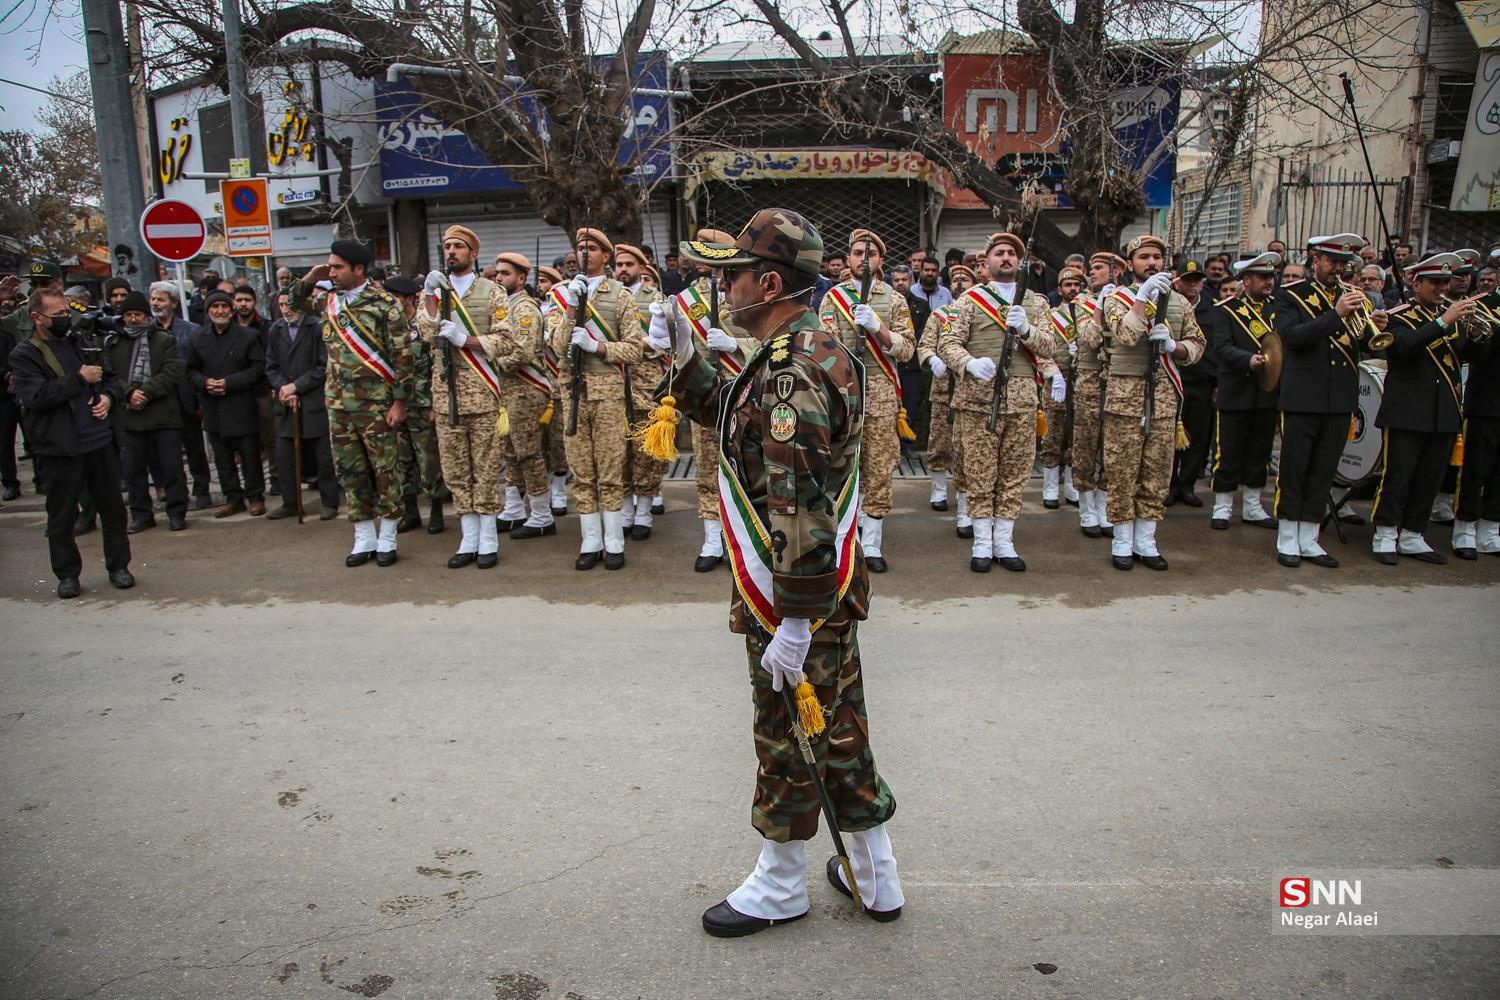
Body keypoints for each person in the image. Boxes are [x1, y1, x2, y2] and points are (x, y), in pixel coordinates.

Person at [655, 208, 901, 937]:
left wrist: (792, 622)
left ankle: (780, 884)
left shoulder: (791, 371)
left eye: (732, 275)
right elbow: (741, 413)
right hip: (822, 584)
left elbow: (797, 505)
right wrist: (685, 358)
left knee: (787, 733)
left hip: (797, 588)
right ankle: (876, 875)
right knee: (839, 727)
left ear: (768, 283)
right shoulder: (807, 348)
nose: (722, 287)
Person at [936, 232, 1060, 572]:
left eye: (1011, 253)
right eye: (999, 253)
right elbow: (947, 343)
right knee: (980, 472)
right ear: (987, 261)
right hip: (978, 401)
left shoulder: (1035, 303)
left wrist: (1028, 331)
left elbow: (1051, 346)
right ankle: (982, 543)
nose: (1006, 258)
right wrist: (969, 363)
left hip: (1022, 402)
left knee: (1014, 473)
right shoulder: (970, 300)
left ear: (1019, 261)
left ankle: (1004, 541)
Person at [289, 240, 413, 567]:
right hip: (339, 404)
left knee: (385, 470)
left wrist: (400, 401)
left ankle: (388, 536)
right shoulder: (330, 300)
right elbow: (295, 301)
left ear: (358, 269)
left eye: (337, 267)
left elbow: (403, 356)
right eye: (330, 266)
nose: (331, 272)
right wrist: (311, 276)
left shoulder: (384, 303)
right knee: (349, 471)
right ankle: (363, 536)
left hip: (376, 404)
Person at [8, 286, 133, 597]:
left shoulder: (80, 343)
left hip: (99, 441)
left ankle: (119, 566)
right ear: (37, 317)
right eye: (59, 314)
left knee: (113, 511)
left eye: (67, 312)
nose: (66, 318)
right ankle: (67, 575)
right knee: (62, 516)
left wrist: (108, 398)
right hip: (59, 448)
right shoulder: (26, 354)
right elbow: (37, 397)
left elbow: (112, 380)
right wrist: (79, 379)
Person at [1271, 233, 1387, 568]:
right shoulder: (1292, 295)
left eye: (1343, 263)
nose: (1338, 268)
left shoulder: (1354, 296)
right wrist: (1335, 315)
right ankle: (1288, 536)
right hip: (1303, 396)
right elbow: (1291, 338)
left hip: (1340, 398)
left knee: (1324, 470)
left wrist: (1374, 327)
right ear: (1316, 260)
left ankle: (1310, 538)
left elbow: (1362, 345)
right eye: (1332, 261)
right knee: (1295, 468)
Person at [1098, 235, 1207, 571]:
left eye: (1157, 258)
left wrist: (1175, 346)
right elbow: (1126, 335)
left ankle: (1146, 541)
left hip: (1163, 402)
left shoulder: (1180, 302)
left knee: (1157, 474)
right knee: (1122, 472)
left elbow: (1197, 344)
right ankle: (1122, 540)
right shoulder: (1116, 299)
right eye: (1144, 257)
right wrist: (1142, 298)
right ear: (1131, 263)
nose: (1152, 263)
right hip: (1125, 401)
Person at [656, 227, 761, 571]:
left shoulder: (750, 292)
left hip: (744, 392)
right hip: (706, 396)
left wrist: (736, 345)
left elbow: (771, 342)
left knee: (744, 468)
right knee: (706, 469)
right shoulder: (687, 299)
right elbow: (675, 350)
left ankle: (741, 539)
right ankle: (712, 538)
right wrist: (665, 335)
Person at [1370, 253, 1477, 565]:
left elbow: (1468, 356)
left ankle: (1413, 534)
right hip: (1407, 410)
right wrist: (1443, 322)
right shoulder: (1398, 316)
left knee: (1430, 478)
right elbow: (1403, 348)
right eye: (1434, 282)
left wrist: (1476, 336)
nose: (1441, 288)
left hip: (1444, 410)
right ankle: (1385, 534)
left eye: (1445, 282)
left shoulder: (1452, 316)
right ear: (1417, 285)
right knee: (1398, 476)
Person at [549, 227, 645, 570]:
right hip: (573, 392)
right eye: (580, 247)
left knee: (609, 468)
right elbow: (557, 346)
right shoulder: (562, 294)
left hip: (608, 394)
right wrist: (571, 309)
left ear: (606, 256)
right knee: (582, 470)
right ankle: (590, 539)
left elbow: (634, 350)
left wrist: (598, 347)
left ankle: (614, 539)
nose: (584, 252)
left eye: (591, 247)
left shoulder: (620, 295)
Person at [820, 229, 915, 572]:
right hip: (842, 393)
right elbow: (824, 346)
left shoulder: (894, 300)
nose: (863, 258)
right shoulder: (833, 298)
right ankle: (845, 537)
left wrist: (878, 328)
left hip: (881, 397)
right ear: (848, 258)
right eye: (858, 253)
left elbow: (907, 349)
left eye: (870, 254)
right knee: (841, 467)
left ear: (880, 261)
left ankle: (872, 542)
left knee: (878, 467)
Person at [415, 225, 506, 569]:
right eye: (447, 246)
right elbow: (426, 333)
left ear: (473, 253)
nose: (451, 251)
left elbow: (506, 340)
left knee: (485, 469)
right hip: (447, 396)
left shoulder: (492, 292)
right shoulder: (437, 290)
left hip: (482, 395)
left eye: (458, 246)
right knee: (455, 470)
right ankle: (468, 538)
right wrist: (428, 294)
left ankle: (488, 539)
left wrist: (465, 339)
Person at [1204, 253, 1281, 531]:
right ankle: (1223, 506)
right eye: (1262, 277)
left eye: (1271, 277)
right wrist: (1247, 360)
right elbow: (1222, 346)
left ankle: (1252, 506)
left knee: (1260, 451)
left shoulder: (1278, 309)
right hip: (1236, 389)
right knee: (1229, 451)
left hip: (1267, 391)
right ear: (1246, 280)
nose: (1268, 282)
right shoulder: (1227, 310)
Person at [104, 291, 188, 533]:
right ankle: (141, 515)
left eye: (138, 314)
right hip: (129, 418)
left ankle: (176, 513)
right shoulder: (113, 343)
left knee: (172, 469)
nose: (133, 319)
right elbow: (108, 375)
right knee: (133, 472)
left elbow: (173, 372)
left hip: (163, 416)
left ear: (146, 316)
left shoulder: (163, 340)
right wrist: (129, 393)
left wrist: (146, 392)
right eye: (129, 315)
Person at [488, 251, 556, 540]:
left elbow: (522, 352)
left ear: (521, 278)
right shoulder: (504, 306)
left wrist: (489, 358)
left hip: (527, 391)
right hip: (507, 392)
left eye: (505, 274)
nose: (498, 278)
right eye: (497, 273)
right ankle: (514, 509)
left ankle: (541, 514)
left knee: (529, 453)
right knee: (510, 452)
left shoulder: (524, 308)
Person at [187, 291, 267, 518]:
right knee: (222, 458)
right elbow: (190, 370)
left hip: (241, 404)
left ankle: (255, 496)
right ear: (208, 310)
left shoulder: (248, 336)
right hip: (213, 405)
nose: (220, 311)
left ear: (231, 310)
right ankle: (233, 497)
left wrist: (229, 383)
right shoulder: (197, 338)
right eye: (215, 307)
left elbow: (258, 368)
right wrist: (205, 383)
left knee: (249, 455)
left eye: (224, 306)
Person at [264, 288, 340, 520]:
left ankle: (329, 501)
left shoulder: (316, 327)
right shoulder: (276, 330)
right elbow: (271, 366)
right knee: (285, 455)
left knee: (323, 457)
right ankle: (290, 501)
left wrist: (297, 386)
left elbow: (323, 365)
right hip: (286, 402)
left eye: (290, 304)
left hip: (313, 400)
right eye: (282, 305)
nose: (286, 310)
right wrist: (284, 388)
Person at [384, 275, 448, 534]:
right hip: (395, 404)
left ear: (408, 298)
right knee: (401, 460)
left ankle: (436, 511)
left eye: (394, 298)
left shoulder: (424, 327)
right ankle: (410, 512)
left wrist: (435, 404)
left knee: (428, 460)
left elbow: (437, 367)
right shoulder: (388, 327)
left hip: (422, 403)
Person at [614, 243, 669, 538]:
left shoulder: (655, 299)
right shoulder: (610, 297)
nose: (623, 269)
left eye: (629, 264)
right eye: (619, 264)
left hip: (647, 385)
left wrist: (635, 346)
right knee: (619, 451)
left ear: (640, 267)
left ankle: (644, 513)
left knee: (646, 451)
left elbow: (667, 340)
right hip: (615, 384)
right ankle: (625, 512)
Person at [1, 261, 67, 501]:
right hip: (30, 392)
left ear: (57, 284)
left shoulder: (70, 313)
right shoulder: (22, 314)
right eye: (34, 283)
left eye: (44, 283)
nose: (38, 288)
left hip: (64, 390)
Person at [148, 281, 214, 509]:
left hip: (187, 399)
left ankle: (202, 490)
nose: (156, 304)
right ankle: (176, 492)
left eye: (161, 299)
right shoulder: (147, 332)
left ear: (174, 303)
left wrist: (201, 401)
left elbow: (200, 367)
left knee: (194, 448)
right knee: (167, 452)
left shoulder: (191, 331)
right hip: (160, 401)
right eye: (153, 299)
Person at [1071, 252, 1123, 539]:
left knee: (1113, 446)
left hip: (1119, 381)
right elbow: (1090, 339)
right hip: (1090, 381)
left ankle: (1104, 503)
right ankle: (1086, 506)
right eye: (1091, 268)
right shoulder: (1082, 303)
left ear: (1118, 272)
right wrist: (1101, 306)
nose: (1092, 272)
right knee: (1086, 443)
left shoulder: (1130, 300)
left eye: (1099, 268)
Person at [917, 263, 974, 515]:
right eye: (956, 281)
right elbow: (924, 345)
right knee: (939, 442)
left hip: (971, 392)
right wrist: (932, 359)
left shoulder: (981, 314)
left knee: (967, 447)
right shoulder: (940, 315)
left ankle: (965, 497)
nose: (960, 285)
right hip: (943, 389)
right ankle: (939, 489)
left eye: (966, 280)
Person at [1452, 278, 1499, 556]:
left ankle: (1490, 529)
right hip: (1487, 402)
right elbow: (1476, 353)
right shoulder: (1484, 305)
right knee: (1474, 469)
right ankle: (1465, 528)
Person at [1039, 266, 1086, 509]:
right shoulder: (1051, 316)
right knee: (1053, 433)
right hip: (1056, 381)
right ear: (1059, 290)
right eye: (1068, 285)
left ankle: (1071, 485)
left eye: (1077, 285)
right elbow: (1042, 349)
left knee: (1075, 434)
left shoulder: (1089, 314)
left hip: (1081, 382)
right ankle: (1049, 487)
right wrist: (1053, 373)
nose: (1073, 289)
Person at [1166, 263, 1213, 508]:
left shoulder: (1211, 309)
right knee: (1168, 436)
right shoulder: (1167, 305)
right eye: (1188, 280)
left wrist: (1214, 381)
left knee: (1196, 438)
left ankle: (1188, 485)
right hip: (1173, 380)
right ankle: (1169, 485)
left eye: (1197, 280)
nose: (1193, 285)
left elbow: (1214, 348)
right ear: (1178, 282)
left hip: (1201, 383)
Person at [535, 265, 571, 517]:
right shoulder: (534, 309)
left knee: (558, 442)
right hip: (538, 384)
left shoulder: (563, 311)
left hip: (558, 386)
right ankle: (545, 488)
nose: (541, 286)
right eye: (539, 281)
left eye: (546, 281)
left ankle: (559, 491)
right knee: (539, 443)